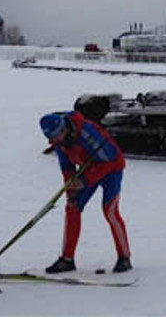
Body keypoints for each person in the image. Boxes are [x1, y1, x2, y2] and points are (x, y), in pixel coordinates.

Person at [39, 111, 132, 274]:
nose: (57, 139)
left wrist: (83, 181)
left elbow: (108, 160)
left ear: (64, 128)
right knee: (72, 207)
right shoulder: (60, 143)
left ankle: (124, 257)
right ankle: (67, 259)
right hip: (88, 168)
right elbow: (66, 167)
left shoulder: (87, 132)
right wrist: (70, 189)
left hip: (111, 169)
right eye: (54, 137)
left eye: (59, 134)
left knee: (110, 211)